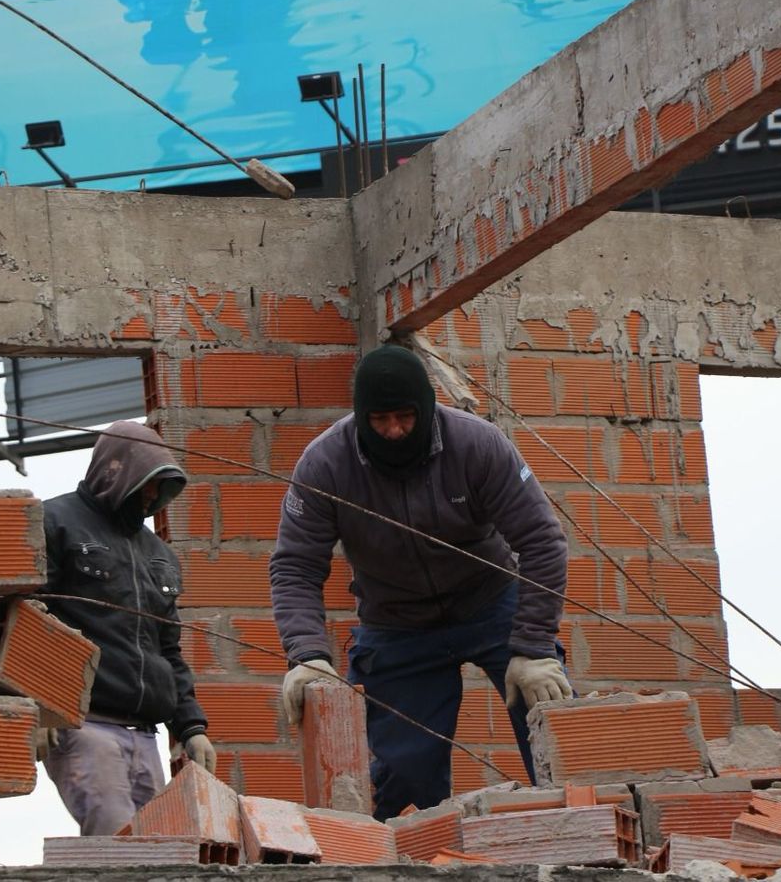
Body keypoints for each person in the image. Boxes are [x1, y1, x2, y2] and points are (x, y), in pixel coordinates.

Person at [268, 345, 572, 820]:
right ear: (361, 415)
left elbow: (542, 542)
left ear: (426, 408)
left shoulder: (477, 445)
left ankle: (581, 838)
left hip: (492, 602)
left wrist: (534, 646)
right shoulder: (325, 465)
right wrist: (307, 654)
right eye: (380, 420)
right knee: (405, 783)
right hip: (397, 624)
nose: (393, 431)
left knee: (551, 732)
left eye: (406, 417)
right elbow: (295, 566)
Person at [38, 420, 217, 835]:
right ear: (113, 470)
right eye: (146, 483)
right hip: (83, 726)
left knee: (158, 851)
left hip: (144, 736)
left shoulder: (158, 554)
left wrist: (191, 728)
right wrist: (40, 707)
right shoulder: (56, 522)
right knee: (118, 844)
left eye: (161, 486)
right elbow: (31, 619)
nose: (152, 496)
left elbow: (168, 650)